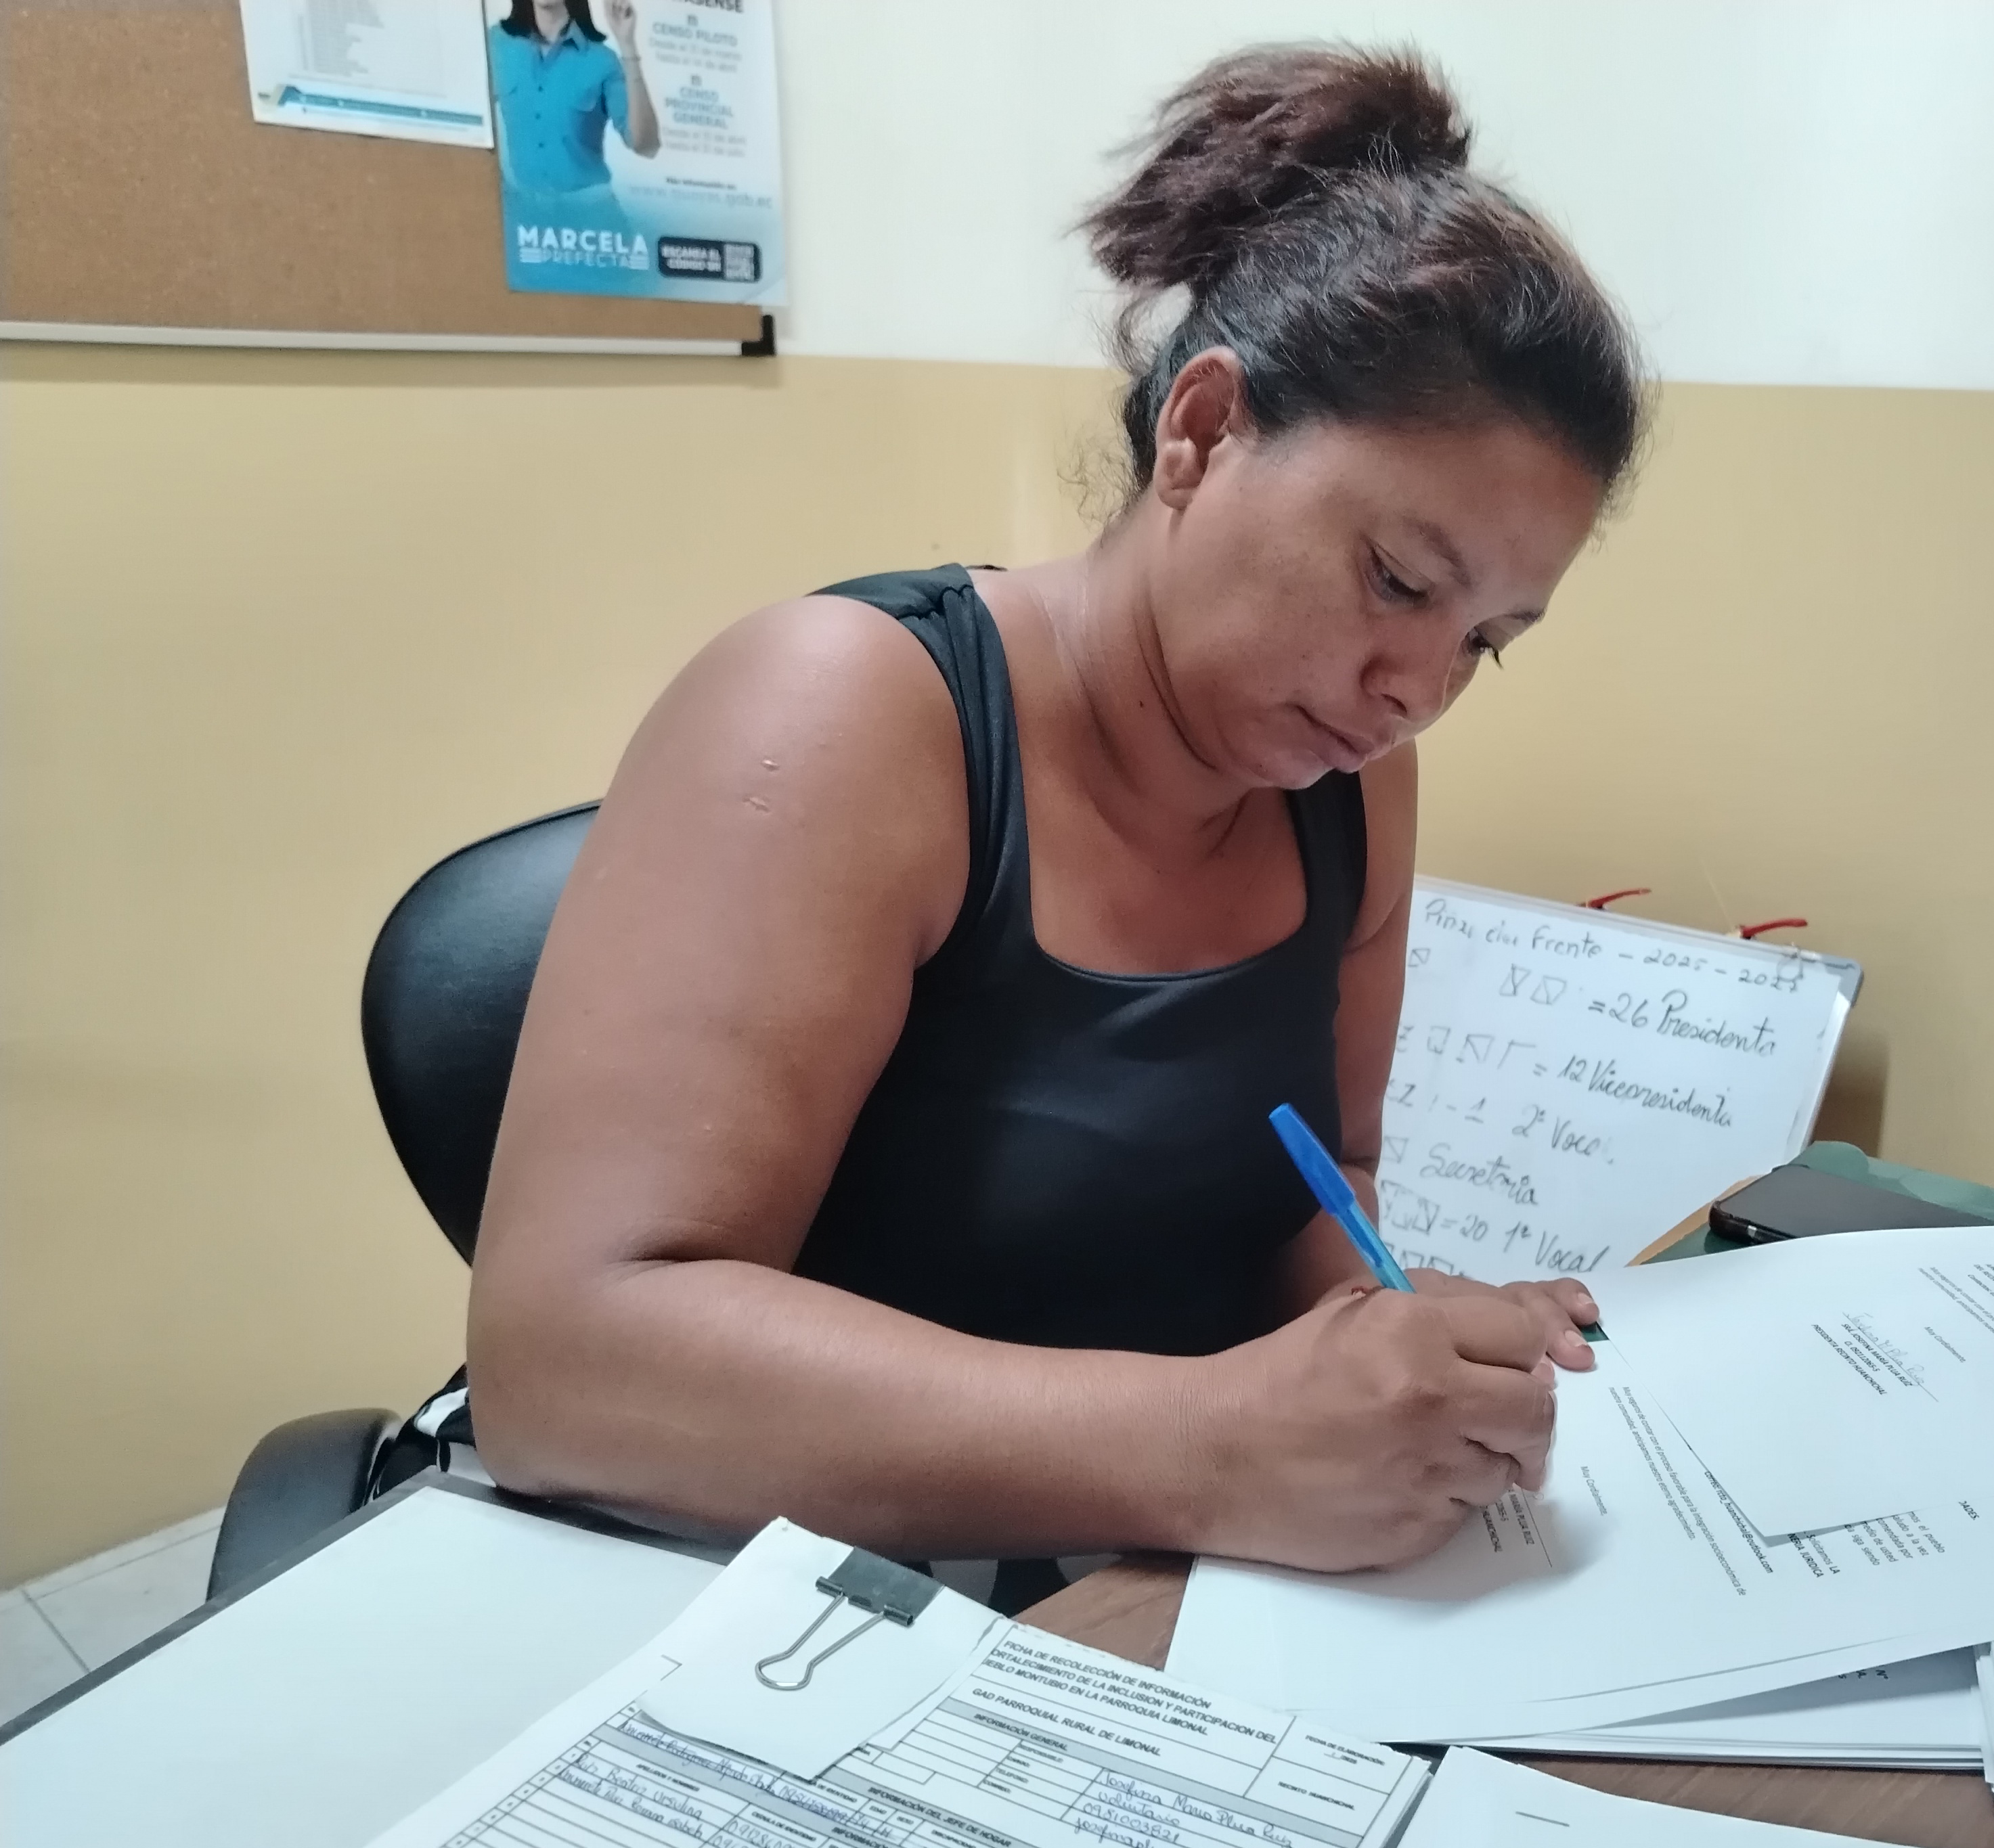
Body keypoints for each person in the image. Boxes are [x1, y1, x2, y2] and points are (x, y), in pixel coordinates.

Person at [466, 45, 1645, 1578]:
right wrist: (1213, 1449)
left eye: (1484, 640)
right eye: (1396, 579)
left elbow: (1318, 1192)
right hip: (769, 1584)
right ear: (1203, 432)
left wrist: (1390, 1341)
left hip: (1135, 1577)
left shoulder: (1352, 784)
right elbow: (565, 1367)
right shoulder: (851, 713)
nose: (1415, 689)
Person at [486, 0, 659, 212]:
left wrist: (627, 44)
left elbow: (645, 144)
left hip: (590, 216)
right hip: (522, 216)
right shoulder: (497, 43)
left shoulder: (602, 60)